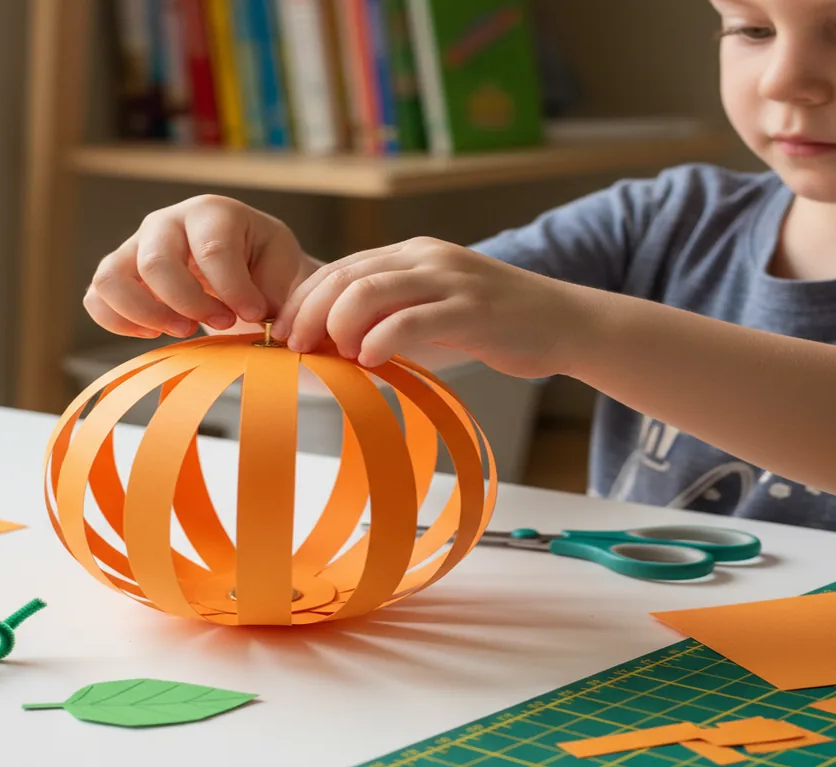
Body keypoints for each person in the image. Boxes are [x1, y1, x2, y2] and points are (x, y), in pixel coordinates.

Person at [82, 0, 836, 530]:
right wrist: (276, 291)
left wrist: (577, 330)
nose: (784, 80)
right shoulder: (663, 218)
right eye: (753, 28)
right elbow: (395, 335)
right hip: (662, 653)